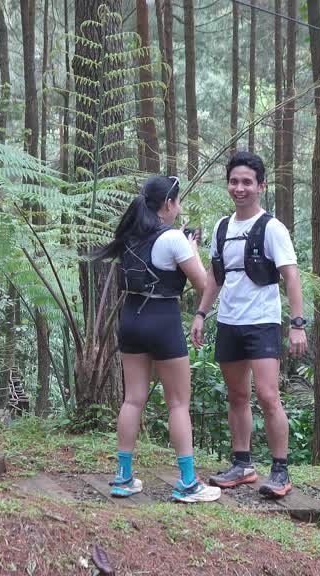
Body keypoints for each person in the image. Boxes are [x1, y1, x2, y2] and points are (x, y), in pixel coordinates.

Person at [98, 175, 221, 503]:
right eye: (177, 202)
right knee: (178, 402)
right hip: (163, 320)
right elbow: (202, 284)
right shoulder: (173, 240)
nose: (179, 207)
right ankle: (188, 482)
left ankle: (123, 477)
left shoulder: (128, 236)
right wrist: (192, 249)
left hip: (131, 318)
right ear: (167, 204)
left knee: (132, 399)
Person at [192, 152, 308, 498]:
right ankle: (242, 464)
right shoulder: (222, 227)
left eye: (247, 182)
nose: (239, 188)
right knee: (237, 395)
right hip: (229, 321)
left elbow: (291, 275)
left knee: (269, 396)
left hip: (262, 323)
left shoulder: (272, 228)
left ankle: (280, 471)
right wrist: (201, 313)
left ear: (261, 185)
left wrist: (297, 324)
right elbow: (216, 275)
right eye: (234, 181)